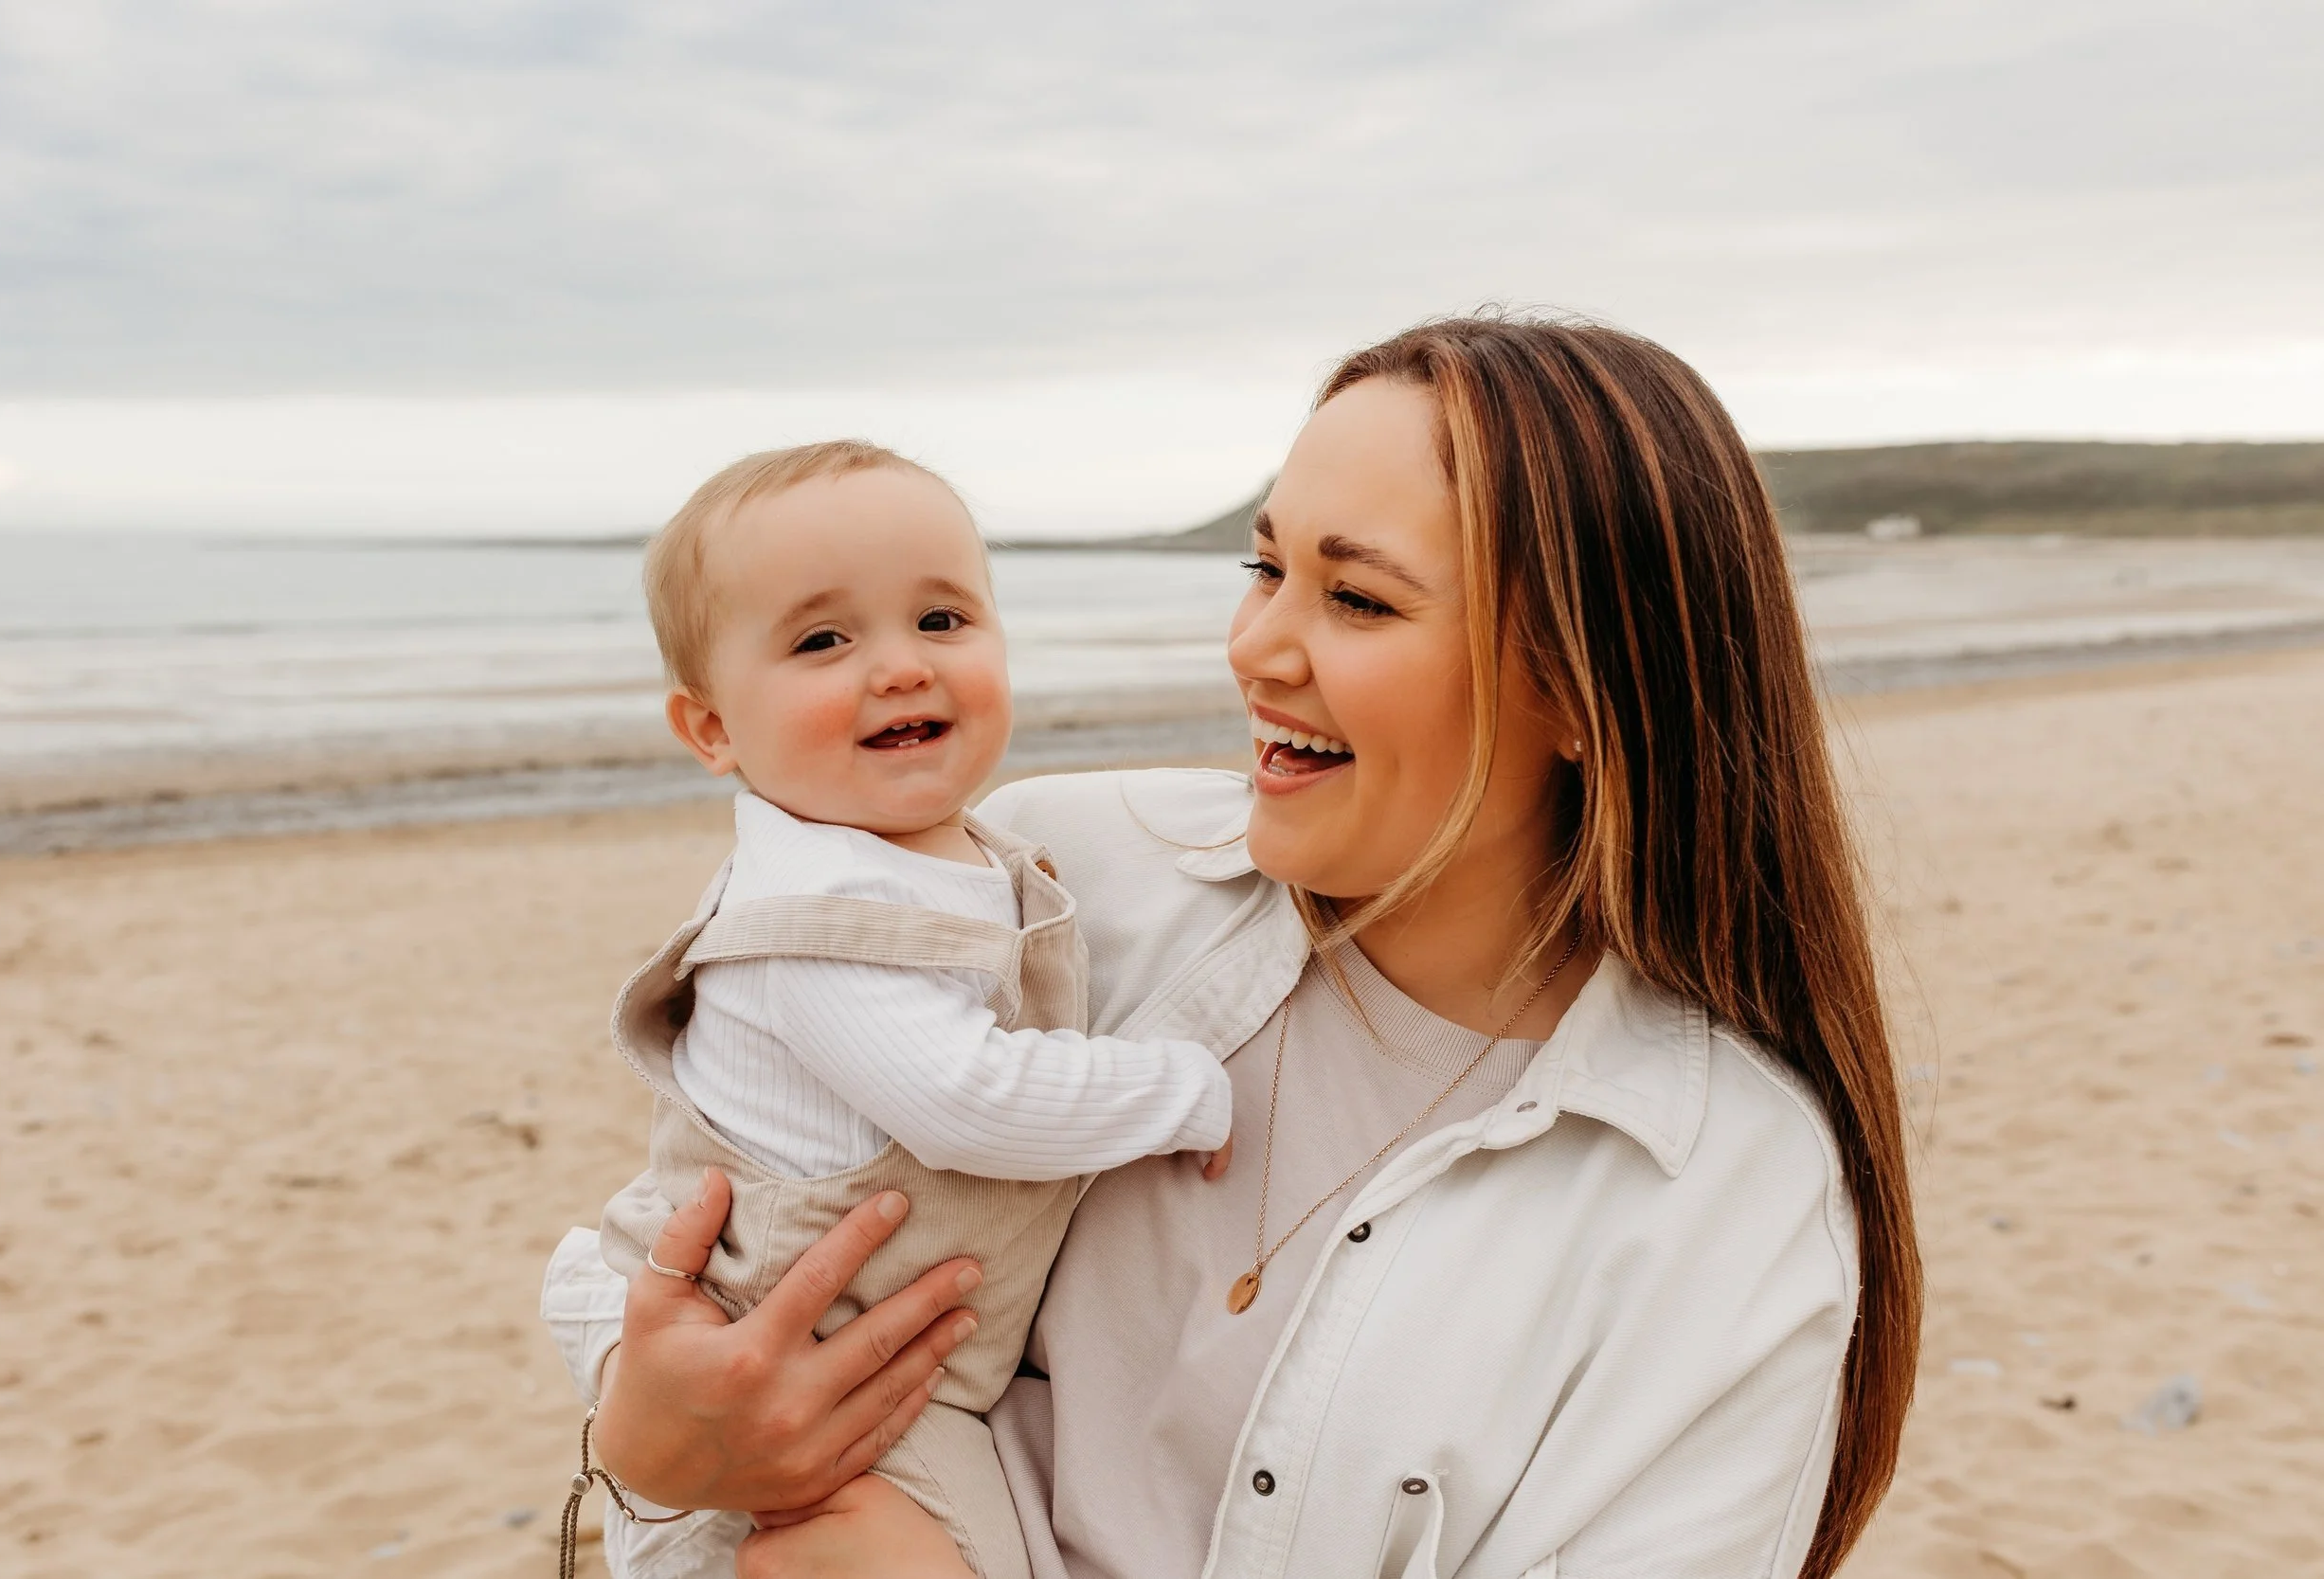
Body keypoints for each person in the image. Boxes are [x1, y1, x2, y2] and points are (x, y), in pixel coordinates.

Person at [541, 314, 1923, 1579]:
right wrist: (652, 1454)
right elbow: (715, 1296)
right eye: (1264, 566)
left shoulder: (1718, 1184)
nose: (1257, 646)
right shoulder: (1046, 880)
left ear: (1579, 683)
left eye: (1357, 599)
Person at [569, 440, 1234, 1579]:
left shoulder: (951, 855)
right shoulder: (823, 908)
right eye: (823, 640)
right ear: (712, 729)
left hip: (875, 1354)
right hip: (804, 1373)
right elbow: (967, 1098)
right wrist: (1185, 1088)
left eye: (941, 620)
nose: (899, 667)